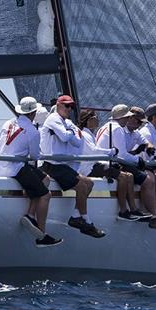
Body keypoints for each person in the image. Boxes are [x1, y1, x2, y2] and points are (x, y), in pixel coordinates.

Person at [0, 96, 63, 247]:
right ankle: (42, 235)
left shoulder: (8, 123)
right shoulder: (32, 131)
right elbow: (35, 156)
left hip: (0, 165)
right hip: (15, 168)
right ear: (34, 112)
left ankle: (30, 215)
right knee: (46, 194)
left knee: (45, 179)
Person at [39, 94, 106, 238]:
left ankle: (76, 216)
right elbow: (65, 137)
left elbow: (77, 142)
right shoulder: (53, 119)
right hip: (52, 164)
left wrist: (68, 133)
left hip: (62, 164)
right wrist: (69, 133)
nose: (69, 109)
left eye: (71, 106)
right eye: (67, 105)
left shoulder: (66, 121)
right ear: (58, 105)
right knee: (82, 186)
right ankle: (86, 220)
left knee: (89, 183)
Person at [111, 108, 156, 231]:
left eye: (142, 123)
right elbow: (121, 154)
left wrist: (149, 147)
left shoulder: (136, 132)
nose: (140, 125)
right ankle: (152, 214)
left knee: (155, 177)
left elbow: (145, 142)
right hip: (118, 163)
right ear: (130, 119)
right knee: (148, 179)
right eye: (138, 122)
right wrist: (138, 158)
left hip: (127, 162)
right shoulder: (119, 130)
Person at [94, 105, 144, 221]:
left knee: (130, 176)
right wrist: (138, 160)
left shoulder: (106, 126)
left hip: (102, 161)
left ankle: (133, 209)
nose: (128, 120)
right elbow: (122, 154)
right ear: (122, 118)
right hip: (105, 163)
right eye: (127, 118)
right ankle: (123, 211)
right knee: (125, 177)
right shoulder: (117, 128)